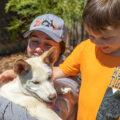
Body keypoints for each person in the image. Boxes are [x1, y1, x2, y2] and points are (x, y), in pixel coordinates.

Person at [0, 14, 79, 120]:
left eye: (48, 44)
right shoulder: (28, 69)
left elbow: (26, 117)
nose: (39, 49)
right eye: (34, 41)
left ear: (60, 48)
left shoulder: (68, 83)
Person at [52, 0, 120, 120]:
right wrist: (22, 74)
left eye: (106, 37)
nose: (98, 43)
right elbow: (57, 72)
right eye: (91, 36)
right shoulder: (86, 48)